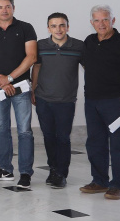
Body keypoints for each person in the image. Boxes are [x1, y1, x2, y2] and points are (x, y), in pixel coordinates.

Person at [79, 5, 120, 200]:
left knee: (118, 145)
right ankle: (99, 181)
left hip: (117, 101)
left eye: (105, 19)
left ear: (113, 21)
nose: (101, 24)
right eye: (97, 20)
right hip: (92, 101)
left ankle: (117, 185)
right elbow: (86, 64)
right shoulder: (89, 41)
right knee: (95, 143)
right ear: (91, 23)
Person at [0, 0, 38, 187]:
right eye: (0, 7)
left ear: (13, 7)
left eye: (8, 6)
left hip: (20, 87)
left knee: (24, 131)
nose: (4, 10)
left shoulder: (26, 28)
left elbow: (31, 57)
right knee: (2, 129)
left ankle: (26, 173)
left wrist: (10, 78)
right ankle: (5, 169)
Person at [31, 12, 84, 189]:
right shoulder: (40, 45)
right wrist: (33, 90)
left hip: (66, 100)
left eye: (62, 25)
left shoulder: (78, 46)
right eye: (54, 26)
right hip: (43, 99)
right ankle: (53, 169)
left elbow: (90, 68)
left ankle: (61, 173)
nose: (58, 29)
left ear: (67, 26)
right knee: (48, 137)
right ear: (48, 28)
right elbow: (36, 68)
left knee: (63, 138)